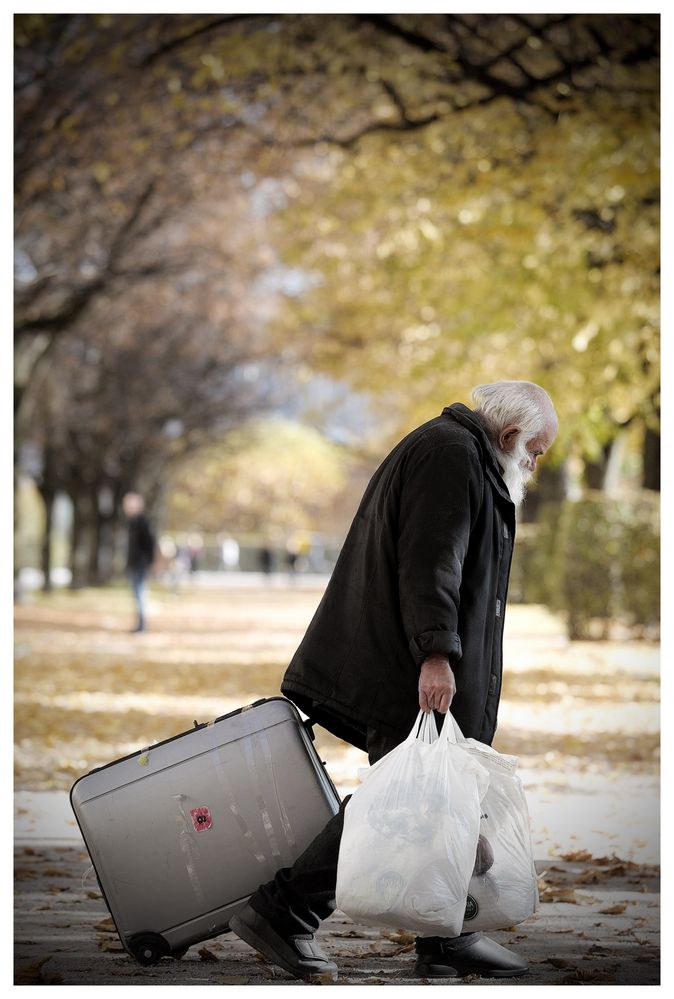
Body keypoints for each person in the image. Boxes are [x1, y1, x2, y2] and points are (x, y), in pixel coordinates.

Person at [230, 381, 558, 982]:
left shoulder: (462, 454)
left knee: (438, 799)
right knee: (406, 801)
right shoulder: (452, 454)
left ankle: (446, 937)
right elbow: (431, 562)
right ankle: (285, 911)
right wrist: (436, 654)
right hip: (410, 666)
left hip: (416, 661)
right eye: (535, 452)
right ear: (510, 436)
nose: (535, 465)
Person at [122, 492, 156, 633]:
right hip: (135, 564)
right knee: (137, 595)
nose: (127, 507)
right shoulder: (132, 523)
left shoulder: (142, 523)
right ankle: (139, 624)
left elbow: (150, 544)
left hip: (140, 565)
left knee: (140, 594)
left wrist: (148, 562)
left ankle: (142, 626)